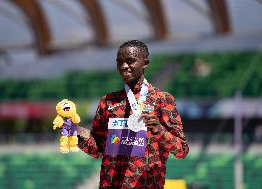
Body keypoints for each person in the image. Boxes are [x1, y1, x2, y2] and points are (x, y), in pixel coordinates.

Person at [77, 40, 189, 189]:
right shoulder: (108, 101)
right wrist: (74, 132)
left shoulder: (162, 100)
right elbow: (98, 149)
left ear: (145, 63)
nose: (124, 66)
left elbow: (182, 150)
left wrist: (159, 129)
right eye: (120, 62)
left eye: (130, 61)